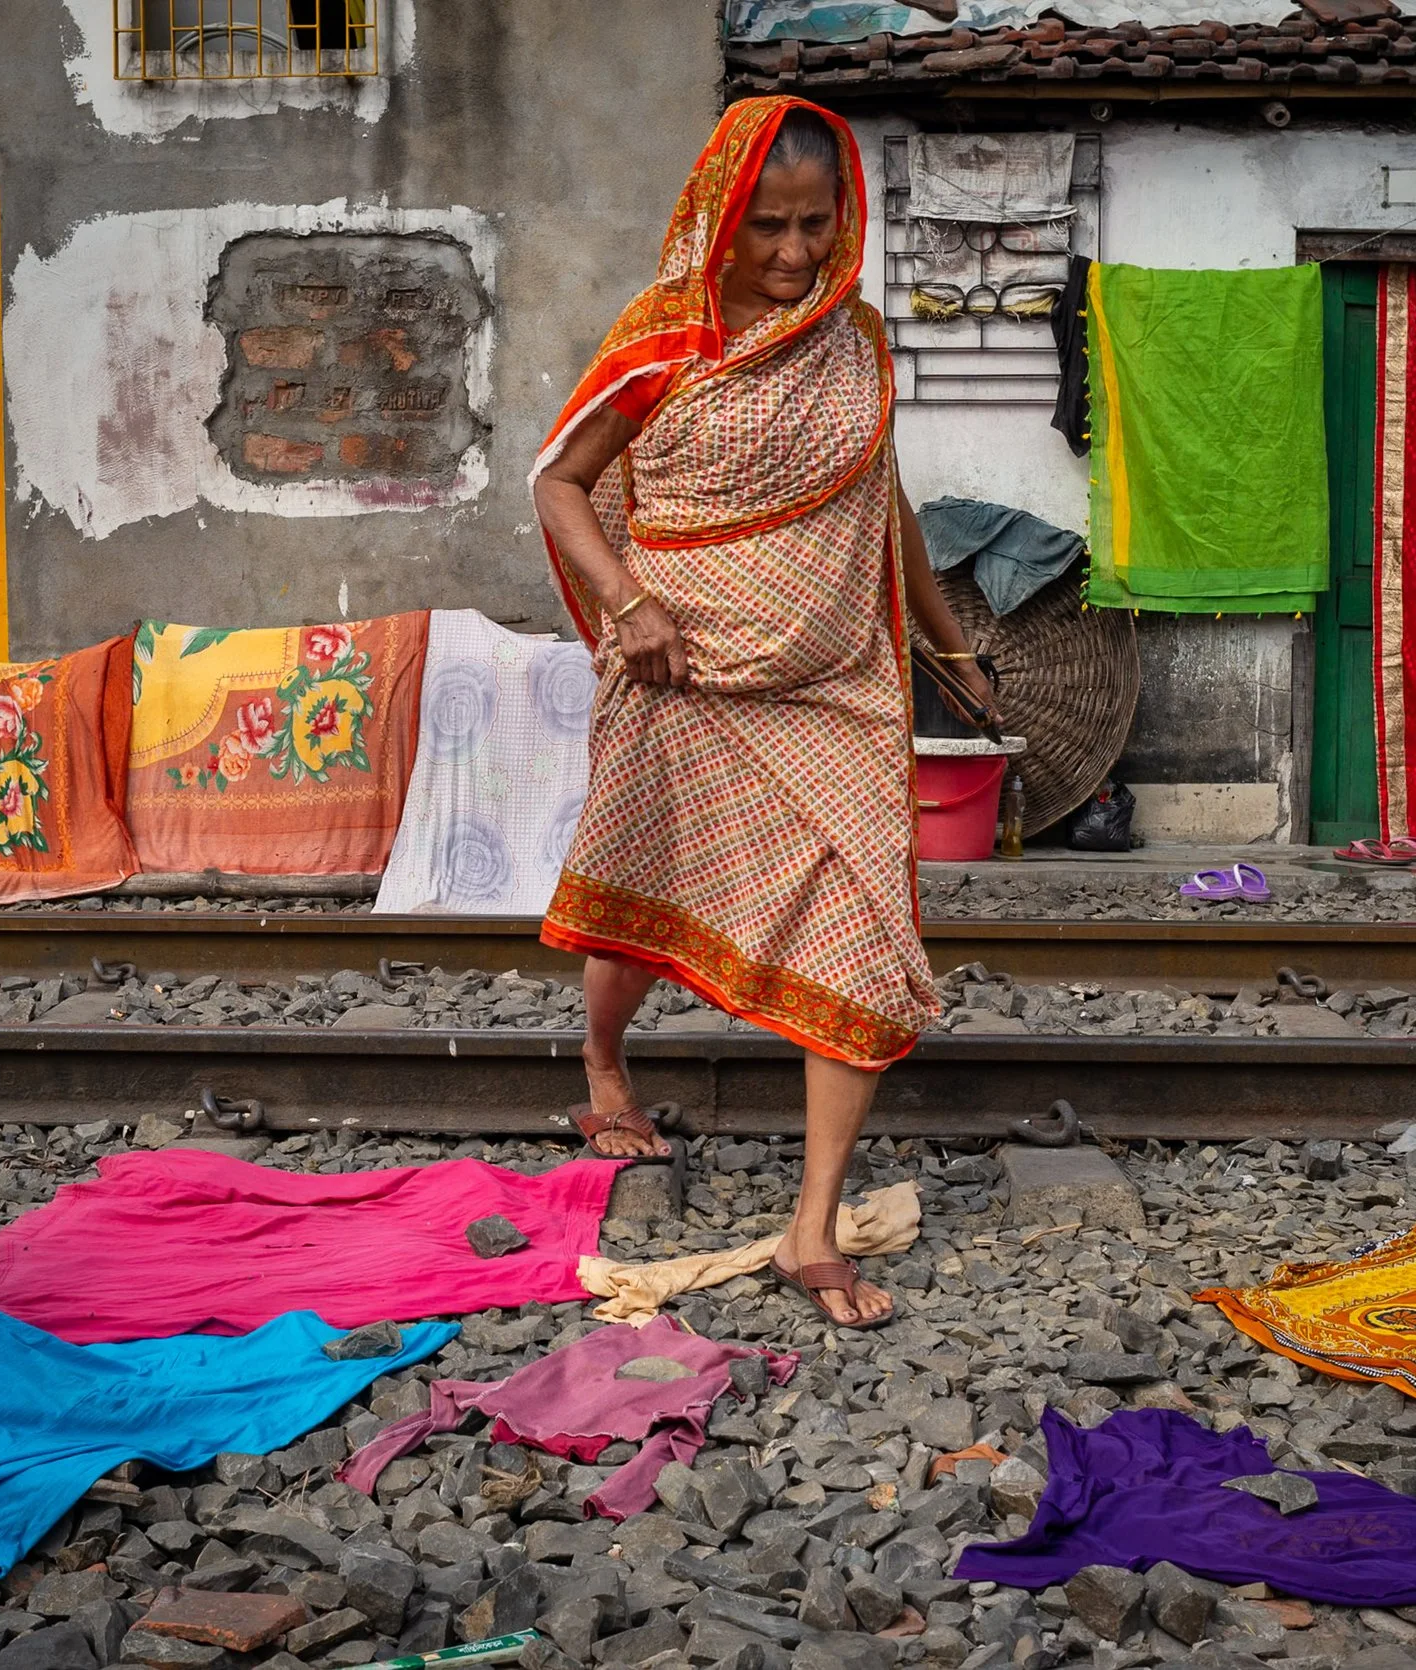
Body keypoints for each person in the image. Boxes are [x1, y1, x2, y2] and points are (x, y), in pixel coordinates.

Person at [531, 97, 998, 1329]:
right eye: (768, 228)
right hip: (681, 675)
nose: (794, 253)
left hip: (834, 681)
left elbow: (879, 492)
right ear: (719, 222)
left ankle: (810, 1227)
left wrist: (950, 640)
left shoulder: (853, 339)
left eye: (815, 223)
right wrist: (628, 601)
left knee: (863, 938)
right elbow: (562, 483)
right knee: (645, 889)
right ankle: (603, 1061)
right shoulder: (665, 337)